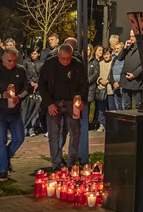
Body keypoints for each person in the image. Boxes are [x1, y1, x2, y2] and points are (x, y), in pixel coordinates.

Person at [37, 43, 87, 172]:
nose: (66, 61)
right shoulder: (50, 64)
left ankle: (72, 163)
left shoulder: (77, 65)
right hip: (54, 102)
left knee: (75, 132)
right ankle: (56, 164)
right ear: (58, 55)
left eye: (68, 58)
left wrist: (81, 100)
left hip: (72, 103)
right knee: (54, 134)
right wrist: (49, 103)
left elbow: (84, 84)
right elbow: (42, 84)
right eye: (63, 58)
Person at [0, 47, 31, 182]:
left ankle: (5, 159)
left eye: (14, 61)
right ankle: (3, 171)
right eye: (9, 61)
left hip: (15, 111)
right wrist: (2, 95)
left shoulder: (21, 70)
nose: (12, 63)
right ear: (3, 59)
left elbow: (27, 87)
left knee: (19, 138)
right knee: (1, 141)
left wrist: (19, 97)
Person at [117, 31, 143, 110]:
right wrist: (125, 48)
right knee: (126, 105)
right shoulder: (128, 47)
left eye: (133, 36)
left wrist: (134, 74)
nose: (131, 38)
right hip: (125, 80)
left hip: (137, 81)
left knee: (138, 105)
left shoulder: (142, 47)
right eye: (130, 36)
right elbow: (119, 58)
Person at [24, 48, 46, 135]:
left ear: (39, 54)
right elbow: (24, 73)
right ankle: (26, 126)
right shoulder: (26, 62)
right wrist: (30, 82)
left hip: (38, 88)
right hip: (28, 87)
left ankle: (32, 127)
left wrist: (38, 83)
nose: (33, 55)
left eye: (35, 54)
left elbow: (43, 74)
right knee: (27, 108)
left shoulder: (42, 63)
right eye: (32, 53)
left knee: (36, 109)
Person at [94, 48, 111, 130]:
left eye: (107, 54)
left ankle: (111, 124)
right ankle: (102, 124)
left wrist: (108, 80)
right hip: (101, 88)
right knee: (101, 108)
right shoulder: (100, 63)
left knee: (111, 107)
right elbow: (96, 74)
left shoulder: (113, 62)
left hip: (110, 88)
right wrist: (100, 80)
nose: (106, 56)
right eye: (104, 54)